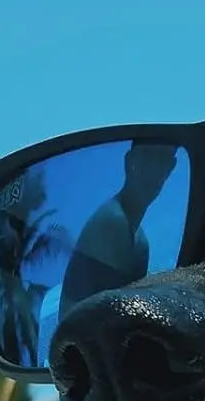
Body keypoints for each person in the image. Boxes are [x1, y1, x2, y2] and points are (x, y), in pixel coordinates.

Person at [37, 142, 180, 354]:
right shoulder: (112, 223)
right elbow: (114, 328)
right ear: (130, 161)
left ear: (170, 169)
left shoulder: (140, 240)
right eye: (148, 157)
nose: (155, 169)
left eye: (165, 161)